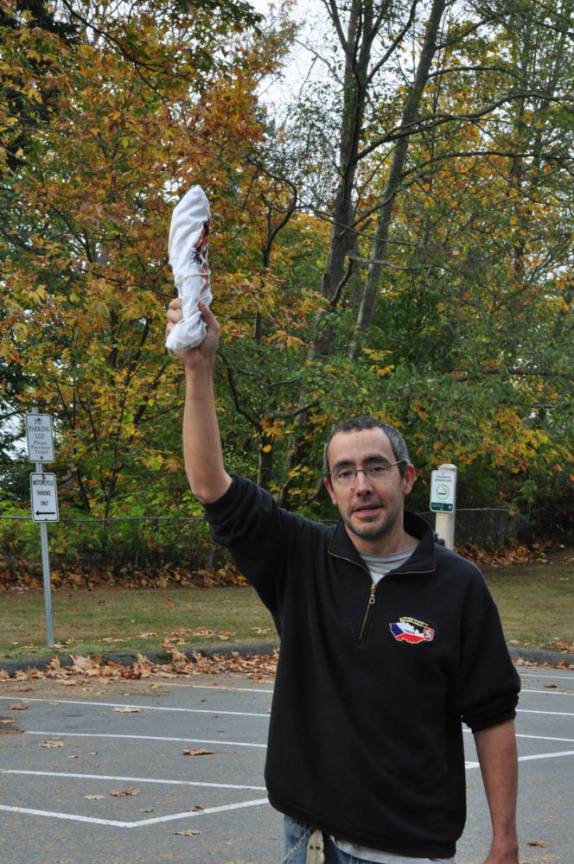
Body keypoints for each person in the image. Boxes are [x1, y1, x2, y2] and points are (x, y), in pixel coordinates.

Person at [166, 298, 521, 864]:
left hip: (410, 850)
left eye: (376, 467)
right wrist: (198, 369)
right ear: (331, 491)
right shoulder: (299, 558)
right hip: (310, 843)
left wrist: (504, 838)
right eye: (345, 472)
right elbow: (212, 486)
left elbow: (492, 714)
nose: (362, 484)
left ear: (405, 479)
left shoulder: (458, 587)